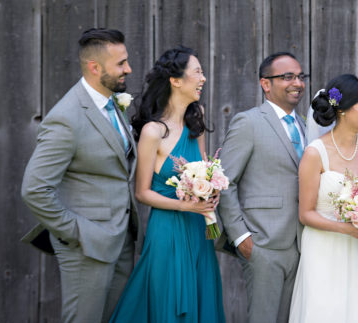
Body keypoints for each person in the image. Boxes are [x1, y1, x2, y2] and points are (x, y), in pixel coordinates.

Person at [21, 28, 139, 322]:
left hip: (121, 237)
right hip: (87, 245)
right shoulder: (67, 117)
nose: (129, 69)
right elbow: (34, 189)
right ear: (94, 67)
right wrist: (77, 233)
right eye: (121, 63)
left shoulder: (113, 104)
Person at [109, 46, 225, 322]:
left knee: (202, 295)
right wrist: (184, 206)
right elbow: (142, 192)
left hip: (199, 228)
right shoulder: (153, 132)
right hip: (168, 230)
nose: (203, 79)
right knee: (168, 301)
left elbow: (205, 168)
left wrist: (211, 189)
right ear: (175, 80)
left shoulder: (196, 119)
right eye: (197, 72)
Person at [288, 74, 358, 322]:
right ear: (343, 109)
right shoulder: (316, 153)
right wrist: (348, 229)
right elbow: (306, 214)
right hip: (324, 250)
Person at [217, 52, 308, 323]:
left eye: (301, 76)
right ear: (265, 84)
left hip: (303, 244)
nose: (298, 82)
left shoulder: (306, 126)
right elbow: (225, 181)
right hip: (263, 243)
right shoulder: (249, 122)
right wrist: (241, 237)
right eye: (288, 76)